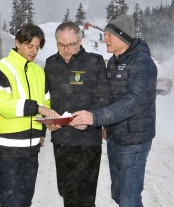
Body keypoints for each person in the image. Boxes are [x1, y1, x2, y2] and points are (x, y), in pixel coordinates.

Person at [71, 14, 157, 207]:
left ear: (123, 37)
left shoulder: (142, 63)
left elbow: (133, 102)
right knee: (119, 195)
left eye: (110, 35)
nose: (105, 38)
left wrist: (95, 117)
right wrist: (103, 124)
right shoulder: (113, 61)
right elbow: (108, 97)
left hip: (134, 142)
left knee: (129, 200)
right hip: (115, 137)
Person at [0, 23, 58, 207]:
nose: (34, 51)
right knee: (11, 202)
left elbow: (46, 103)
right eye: (29, 46)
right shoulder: (0, 68)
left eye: (37, 47)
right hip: (6, 150)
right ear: (17, 42)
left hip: (31, 150)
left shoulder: (38, 72)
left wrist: (46, 126)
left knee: (25, 201)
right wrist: (37, 108)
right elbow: (3, 105)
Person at [44, 21, 112, 207]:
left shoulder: (94, 62)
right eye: (61, 45)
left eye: (71, 44)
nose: (66, 49)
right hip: (61, 141)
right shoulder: (50, 64)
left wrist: (90, 118)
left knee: (85, 197)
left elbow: (105, 98)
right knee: (66, 192)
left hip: (87, 142)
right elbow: (42, 98)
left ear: (80, 41)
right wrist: (47, 121)